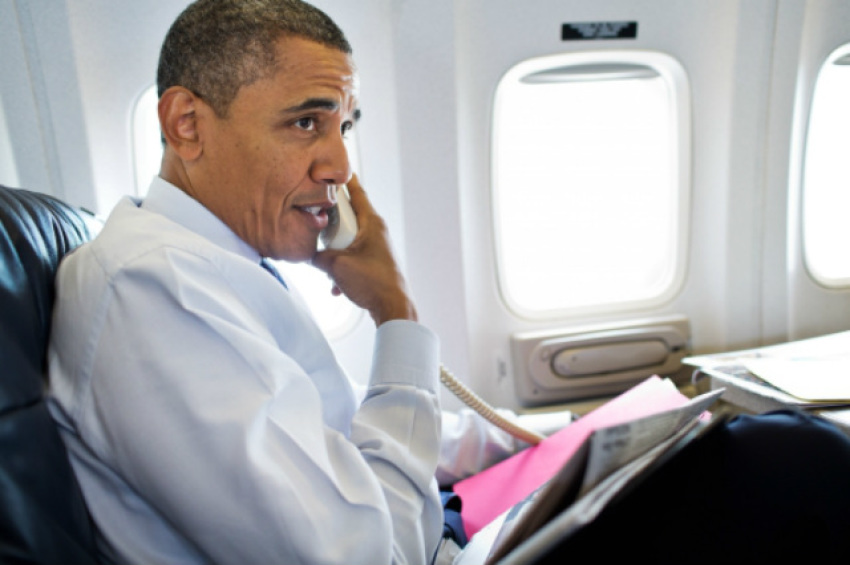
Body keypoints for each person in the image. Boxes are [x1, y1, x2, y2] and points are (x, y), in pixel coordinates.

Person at [47, 1, 562, 564]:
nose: (340, 166)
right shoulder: (152, 292)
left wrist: (558, 431)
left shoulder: (222, 265)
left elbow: (346, 427)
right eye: (305, 123)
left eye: (344, 126)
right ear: (186, 124)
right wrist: (396, 315)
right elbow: (376, 557)